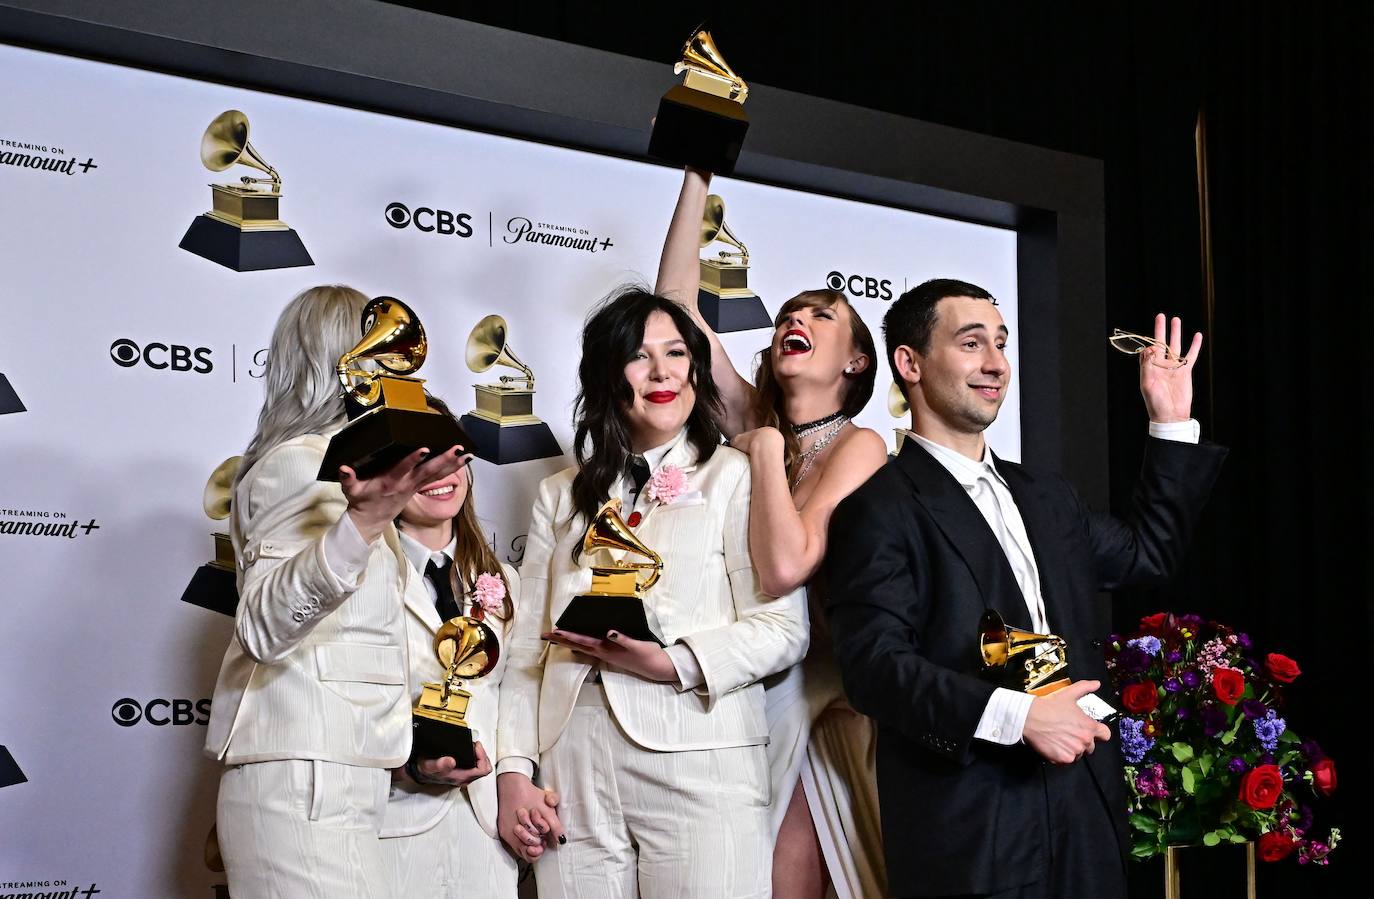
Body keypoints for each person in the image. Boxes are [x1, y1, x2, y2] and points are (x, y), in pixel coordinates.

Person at [824, 279, 1228, 898]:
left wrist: (1170, 423)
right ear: (909, 364)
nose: (995, 364)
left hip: (1084, 813)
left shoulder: (1047, 494)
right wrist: (1020, 716)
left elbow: (1149, 555)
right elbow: (875, 669)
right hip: (975, 829)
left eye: (1001, 344)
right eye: (970, 343)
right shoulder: (877, 509)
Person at [495, 287, 809, 899]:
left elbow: (783, 630)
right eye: (640, 356)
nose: (662, 372)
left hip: (701, 751)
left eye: (676, 353)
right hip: (572, 762)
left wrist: (674, 663)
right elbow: (526, 651)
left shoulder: (736, 476)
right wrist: (514, 772)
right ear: (609, 375)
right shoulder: (560, 495)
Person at [656, 166, 890, 899]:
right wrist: (697, 173)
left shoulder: (862, 444)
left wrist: (758, 448)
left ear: (854, 361)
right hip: (761, 676)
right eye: (792, 311)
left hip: (835, 681)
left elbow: (787, 565)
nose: (800, 318)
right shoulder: (753, 408)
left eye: (823, 316)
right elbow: (673, 309)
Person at [205, 285, 468, 899]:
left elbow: (360, 642)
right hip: (303, 776)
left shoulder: (357, 476)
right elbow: (265, 626)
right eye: (378, 346)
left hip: (348, 774)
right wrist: (364, 523)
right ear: (337, 360)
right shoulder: (296, 463)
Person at [378, 396, 522, 897]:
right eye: (416, 459)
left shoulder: (508, 583)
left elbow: (517, 698)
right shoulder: (358, 579)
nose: (438, 470)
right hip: (389, 830)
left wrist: (517, 784)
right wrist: (407, 766)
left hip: (487, 832)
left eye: (446, 452)